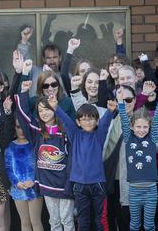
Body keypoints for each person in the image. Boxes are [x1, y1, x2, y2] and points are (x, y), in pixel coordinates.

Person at [15, 81, 73, 231]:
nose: (44, 113)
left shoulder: (66, 130)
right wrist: (23, 92)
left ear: (54, 108)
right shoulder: (38, 132)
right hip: (47, 185)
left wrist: (70, 183)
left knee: (67, 221)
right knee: (54, 222)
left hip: (65, 185)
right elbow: (23, 116)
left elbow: (73, 159)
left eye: (47, 109)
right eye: (41, 111)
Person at [54, 99, 117, 231]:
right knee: (83, 220)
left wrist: (110, 110)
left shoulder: (99, 135)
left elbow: (105, 122)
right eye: (84, 119)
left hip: (97, 184)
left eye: (91, 119)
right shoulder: (75, 134)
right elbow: (66, 120)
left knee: (99, 219)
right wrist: (56, 107)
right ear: (78, 122)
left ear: (97, 121)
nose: (88, 122)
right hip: (79, 185)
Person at [117, 85, 158, 231]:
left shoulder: (152, 138)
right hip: (134, 190)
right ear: (132, 127)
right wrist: (120, 101)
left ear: (149, 127)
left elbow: (156, 119)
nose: (142, 130)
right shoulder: (128, 138)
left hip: (150, 190)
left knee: (149, 225)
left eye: (145, 127)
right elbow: (124, 118)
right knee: (134, 225)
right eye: (138, 127)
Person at [5, 118, 43, 231]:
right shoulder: (10, 147)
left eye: (23, 127)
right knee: (25, 222)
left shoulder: (34, 144)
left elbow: (40, 165)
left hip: (34, 187)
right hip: (18, 188)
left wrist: (34, 181)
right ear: (14, 128)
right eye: (18, 127)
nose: (21, 130)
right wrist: (16, 182)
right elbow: (8, 168)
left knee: (35, 221)